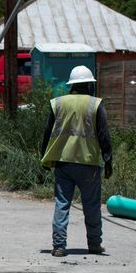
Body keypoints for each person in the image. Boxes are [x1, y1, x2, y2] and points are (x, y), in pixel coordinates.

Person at [41, 65, 113, 257]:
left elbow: (47, 133)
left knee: (62, 204)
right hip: (88, 163)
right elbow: (104, 135)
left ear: (72, 85)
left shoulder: (58, 103)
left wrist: (44, 158)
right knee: (92, 206)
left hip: (63, 162)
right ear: (89, 84)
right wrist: (108, 160)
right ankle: (95, 244)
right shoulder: (95, 104)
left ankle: (59, 246)